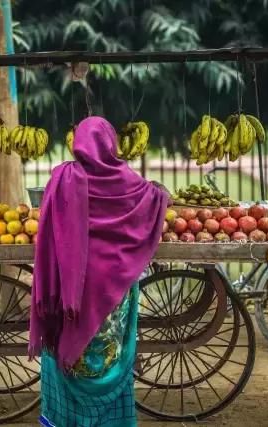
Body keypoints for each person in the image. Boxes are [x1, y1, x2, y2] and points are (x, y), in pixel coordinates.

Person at [29, 116, 169, 427]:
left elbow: (48, 231)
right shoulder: (131, 183)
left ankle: (67, 419)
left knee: (66, 351)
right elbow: (155, 203)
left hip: (70, 292)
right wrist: (160, 192)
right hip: (113, 292)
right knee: (111, 353)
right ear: (111, 144)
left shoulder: (63, 177)